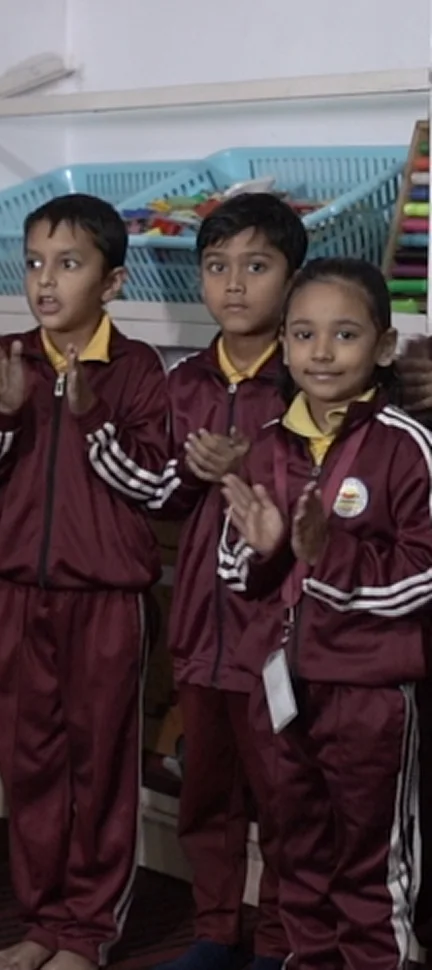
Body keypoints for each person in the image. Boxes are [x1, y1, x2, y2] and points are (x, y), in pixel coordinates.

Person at [0, 193, 171, 970]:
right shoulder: (6, 359)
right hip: (18, 596)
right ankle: (43, 921)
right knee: (29, 765)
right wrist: (4, 414)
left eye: (69, 264)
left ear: (111, 283)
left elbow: (155, 487)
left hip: (106, 601)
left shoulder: (137, 368)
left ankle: (88, 931)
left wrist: (90, 416)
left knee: (101, 768)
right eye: (34, 263)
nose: (45, 281)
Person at [219, 257, 430, 970]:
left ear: (384, 345)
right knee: (297, 858)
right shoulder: (266, 446)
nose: (322, 352)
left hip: (370, 696)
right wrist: (270, 550)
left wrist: (327, 554)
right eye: (304, 333)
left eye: (345, 334)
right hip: (284, 690)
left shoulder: (407, 446)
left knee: (371, 869)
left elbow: (423, 573)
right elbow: (232, 569)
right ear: (283, 343)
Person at [146, 194, 305, 970]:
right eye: (217, 267)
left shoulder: (307, 377)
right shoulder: (183, 382)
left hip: (273, 634)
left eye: (256, 266)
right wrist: (191, 472)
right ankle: (214, 929)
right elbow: (160, 500)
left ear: (293, 277)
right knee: (205, 789)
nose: (234, 285)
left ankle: (278, 938)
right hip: (199, 632)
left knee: (284, 796)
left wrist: (253, 467)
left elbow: (331, 495)